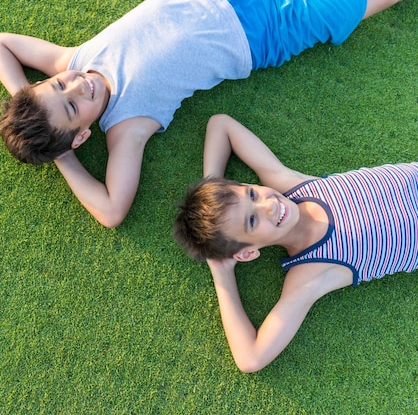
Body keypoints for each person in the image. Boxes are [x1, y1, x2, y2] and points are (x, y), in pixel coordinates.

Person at [0, 0, 405, 227]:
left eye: (58, 85)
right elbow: (112, 212)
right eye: (74, 105)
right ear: (80, 136)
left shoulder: (72, 59)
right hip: (265, 32)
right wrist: (64, 157)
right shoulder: (126, 128)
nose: (79, 84)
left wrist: (35, 101)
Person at [172, 114, 417, 373]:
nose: (269, 204)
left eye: (252, 194)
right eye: (252, 221)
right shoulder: (309, 273)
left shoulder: (294, 187)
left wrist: (215, 188)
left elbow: (220, 125)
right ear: (246, 252)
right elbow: (250, 359)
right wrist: (221, 273)